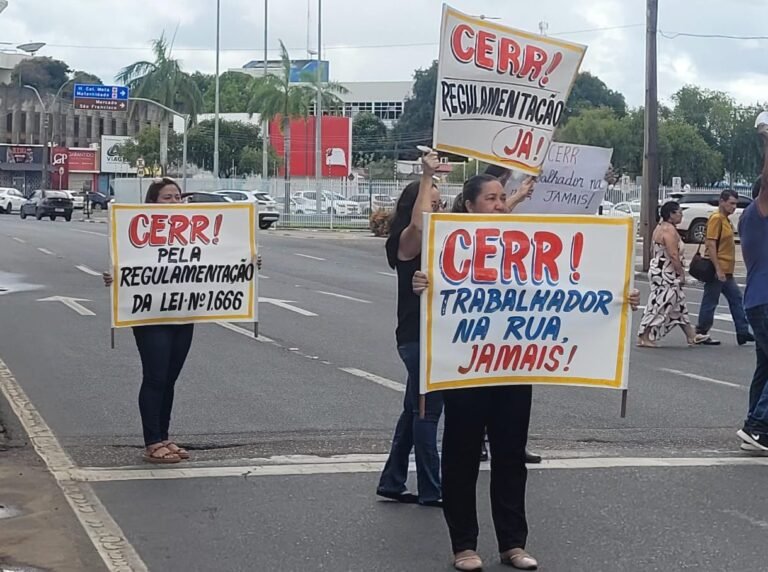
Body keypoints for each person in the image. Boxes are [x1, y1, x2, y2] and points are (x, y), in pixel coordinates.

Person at [412, 177, 641, 571]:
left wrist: (621, 297)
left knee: (510, 455)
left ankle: (513, 543)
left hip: (515, 364)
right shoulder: (447, 241)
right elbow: (427, 273)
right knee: (462, 455)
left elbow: (573, 286)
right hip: (466, 366)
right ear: (469, 205)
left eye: (503, 198)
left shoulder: (526, 239)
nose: (501, 204)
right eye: (492, 198)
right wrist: (423, 283)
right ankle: (464, 545)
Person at [103, 178, 261, 464]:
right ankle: (152, 442)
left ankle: (163, 436)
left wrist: (247, 262)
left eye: (177, 196)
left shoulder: (190, 232)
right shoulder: (136, 228)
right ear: (152, 203)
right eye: (167, 197)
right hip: (149, 315)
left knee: (170, 379)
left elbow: (218, 257)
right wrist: (113, 278)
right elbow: (123, 264)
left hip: (183, 313)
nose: (175, 202)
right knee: (155, 376)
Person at [376, 150, 445, 507]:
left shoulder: (447, 241)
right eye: (431, 202)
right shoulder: (406, 242)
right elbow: (420, 226)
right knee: (427, 410)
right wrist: (426, 176)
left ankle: (392, 480)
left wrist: (513, 196)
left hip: (438, 334)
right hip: (418, 336)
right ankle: (433, 487)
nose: (438, 209)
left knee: (413, 407)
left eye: (440, 201)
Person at [637, 201, 709, 348]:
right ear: (671, 214)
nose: (681, 215)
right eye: (679, 212)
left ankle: (691, 335)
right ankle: (644, 335)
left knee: (678, 305)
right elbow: (673, 254)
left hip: (660, 269)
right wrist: (680, 274)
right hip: (666, 273)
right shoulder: (668, 231)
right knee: (661, 303)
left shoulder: (660, 228)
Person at [736, 122, 768, 452]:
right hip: (764, 300)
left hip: (757, 301)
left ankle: (752, 427)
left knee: (765, 365)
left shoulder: (750, 219)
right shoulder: (758, 213)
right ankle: (759, 427)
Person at [695, 190, 753, 346]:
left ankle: (742, 331)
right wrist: (718, 269)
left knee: (736, 299)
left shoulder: (726, 220)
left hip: (726, 270)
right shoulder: (716, 219)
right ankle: (701, 332)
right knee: (711, 300)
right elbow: (711, 244)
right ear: (722, 201)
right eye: (731, 203)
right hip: (718, 269)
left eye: (735, 204)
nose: (734, 207)